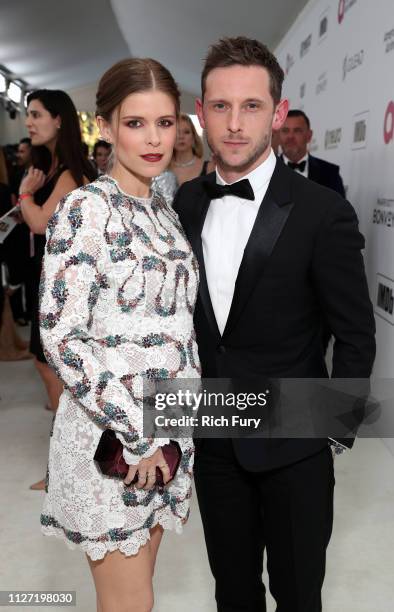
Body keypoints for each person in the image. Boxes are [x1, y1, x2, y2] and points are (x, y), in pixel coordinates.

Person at [173, 36, 375, 612]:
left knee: (297, 594)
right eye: (220, 107)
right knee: (232, 593)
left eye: (252, 106)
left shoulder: (322, 211)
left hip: (295, 445)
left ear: (278, 113)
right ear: (202, 113)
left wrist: (335, 423)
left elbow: (355, 332)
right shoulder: (184, 204)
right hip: (213, 440)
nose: (235, 124)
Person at [39, 58, 199, 612]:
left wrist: (179, 427)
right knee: (130, 604)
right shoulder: (85, 209)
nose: (154, 139)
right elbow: (62, 336)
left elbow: (179, 327)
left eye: (165, 122)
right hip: (113, 441)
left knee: (137, 601)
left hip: (167, 437)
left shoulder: (163, 210)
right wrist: (142, 432)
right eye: (136, 123)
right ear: (104, 126)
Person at [19, 89, 97, 489]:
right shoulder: (56, 168)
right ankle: (66, 465)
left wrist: (24, 194)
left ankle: (67, 468)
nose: (29, 122)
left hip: (67, 288)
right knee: (48, 367)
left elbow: (39, 223)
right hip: (51, 282)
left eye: (36, 114)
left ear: (59, 120)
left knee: (57, 373)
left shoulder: (70, 171)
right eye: (27, 114)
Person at [279, 109, 346, 196]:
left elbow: (340, 209)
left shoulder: (330, 173)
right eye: (285, 131)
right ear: (278, 135)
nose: (290, 136)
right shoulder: (264, 172)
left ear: (309, 136)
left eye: (297, 131)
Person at [170, 113, 205, 184]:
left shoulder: (208, 168)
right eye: (177, 132)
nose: (181, 137)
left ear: (193, 137)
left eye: (186, 132)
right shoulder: (161, 169)